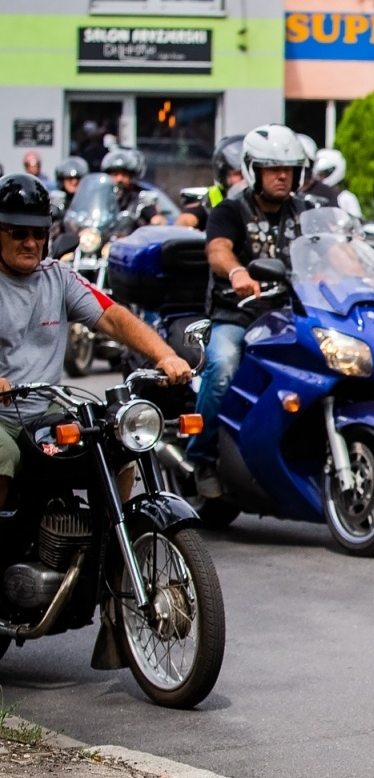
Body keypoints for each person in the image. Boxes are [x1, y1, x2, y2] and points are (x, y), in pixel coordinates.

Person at [0, 173, 190, 510]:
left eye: (38, 233)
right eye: (18, 233)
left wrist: (166, 355)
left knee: (116, 443)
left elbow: (113, 316)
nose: (30, 243)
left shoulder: (58, 277)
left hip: (45, 410)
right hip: (2, 419)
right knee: (4, 457)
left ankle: (109, 549)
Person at [189, 124, 312, 497]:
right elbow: (218, 251)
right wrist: (237, 270)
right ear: (252, 170)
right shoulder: (229, 211)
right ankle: (204, 458)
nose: (282, 176)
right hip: (237, 316)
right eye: (273, 168)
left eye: (288, 169)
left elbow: (332, 250)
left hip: (288, 316)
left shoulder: (305, 211)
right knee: (223, 365)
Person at [177, 135, 244, 231]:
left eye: (248, 173)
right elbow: (184, 222)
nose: (245, 179)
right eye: (238, 174)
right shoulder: (212, 198)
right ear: (223, 175)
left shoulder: (263, 198)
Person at [102, 149, 162, 228]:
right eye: (115, 174)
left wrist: (156, 222)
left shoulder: (141, 197)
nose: (119, 179)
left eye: (124, 174)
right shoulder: (101, 196)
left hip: (133, 238)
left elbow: (157, 219)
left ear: (131, 176)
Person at [306, 149, 362, 217]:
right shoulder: (311, 197)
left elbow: (356, 223)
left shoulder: (346, 198)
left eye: (322, 175)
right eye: (317, 175)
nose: (319, 179)